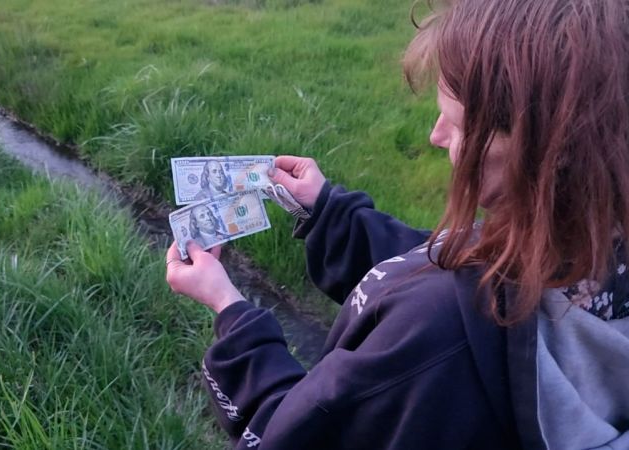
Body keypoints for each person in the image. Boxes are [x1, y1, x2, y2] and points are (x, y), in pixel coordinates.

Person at [165, 0, 629, 448]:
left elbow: (290, 431)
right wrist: (328, 211)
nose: (435, 136)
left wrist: (229, 308)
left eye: (459, 125)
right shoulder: (589, 251)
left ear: (544, 152)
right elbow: (447, 264)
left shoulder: (433, 344)